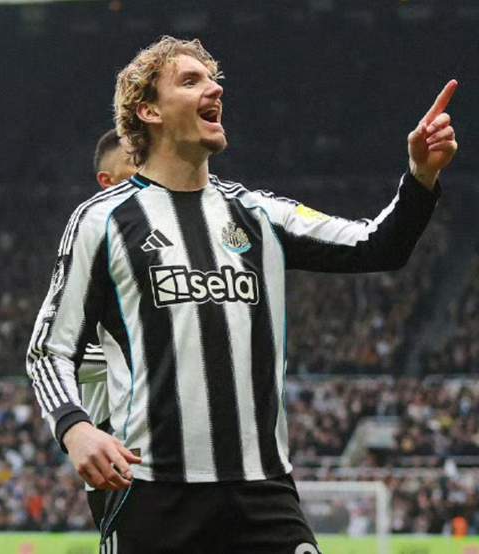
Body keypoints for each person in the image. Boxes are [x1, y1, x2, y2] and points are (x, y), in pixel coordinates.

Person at [27, 36, 458, 553]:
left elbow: (377, 245)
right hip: (155, 496)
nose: (214, 89)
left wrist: (421, 176)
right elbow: (49, 349)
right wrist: (74, 428)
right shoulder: (102, 221)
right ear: (149, 111)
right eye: (191, 81)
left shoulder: (259, 214)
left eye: (214, 80)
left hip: (263, 494)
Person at [79, 129, 136, 529]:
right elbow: (61, 355)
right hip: (117, 459)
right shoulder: (93, 249)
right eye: (134, 162)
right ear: (107, 180)